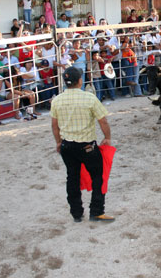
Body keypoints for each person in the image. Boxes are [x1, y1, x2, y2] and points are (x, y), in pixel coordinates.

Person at [51, 67, 114, 223]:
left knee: (72, 177)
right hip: (87, 147)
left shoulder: (57, 100)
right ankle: (96, 212)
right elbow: (103, 121)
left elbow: (54, 125)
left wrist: (58, 142)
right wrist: (107, 137)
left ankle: (77, 214)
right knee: (98, 176)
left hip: (67, 146)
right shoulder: (90, 98)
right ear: (80, 81)